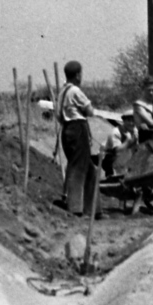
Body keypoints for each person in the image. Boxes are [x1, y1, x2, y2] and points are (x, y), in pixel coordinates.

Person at [57, 60, 101, 216]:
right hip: (78, 129)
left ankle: (94, 209)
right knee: (78, 169)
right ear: (77, 75)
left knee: (90, 170)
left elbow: (58, 115)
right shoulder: (75, 91)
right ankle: (75, 208)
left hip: (66, 130)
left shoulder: (62, 91)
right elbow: (90, 111)